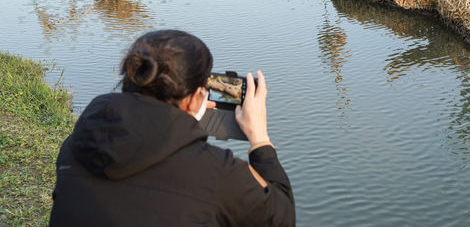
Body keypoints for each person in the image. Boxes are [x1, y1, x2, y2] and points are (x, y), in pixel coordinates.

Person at [49, 30, 295, 226]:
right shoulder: (216, 172)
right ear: (193, 98)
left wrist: (178, 128)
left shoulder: (76, 145)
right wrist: (259, 138)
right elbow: (281, 216)